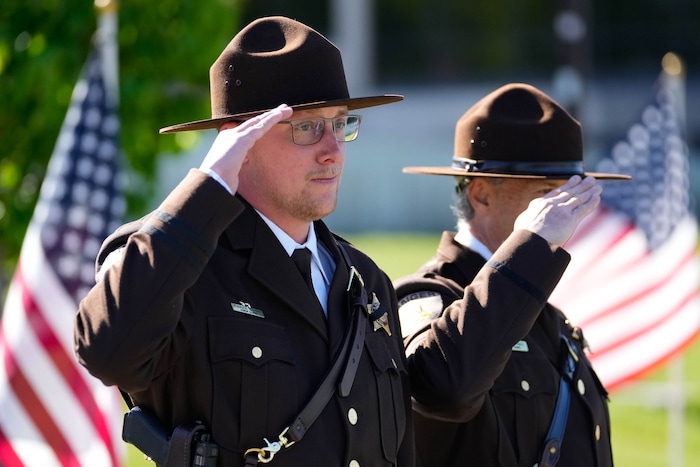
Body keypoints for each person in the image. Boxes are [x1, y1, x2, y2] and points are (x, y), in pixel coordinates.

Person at [73, 17, 602, 467]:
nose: (333, 151)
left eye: (340, 124)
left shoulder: (362, 280)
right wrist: (208, 187)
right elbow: (108, 350)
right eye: (306, 129)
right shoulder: (179, 263)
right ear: (239, 142)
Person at [395, 82, 629, 467]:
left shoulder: (546, 315)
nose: (567, 212)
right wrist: (530, 245)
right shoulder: (430, 295)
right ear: (481, 194)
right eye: (548, 193)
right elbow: (445, 389)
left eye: (572, 195)